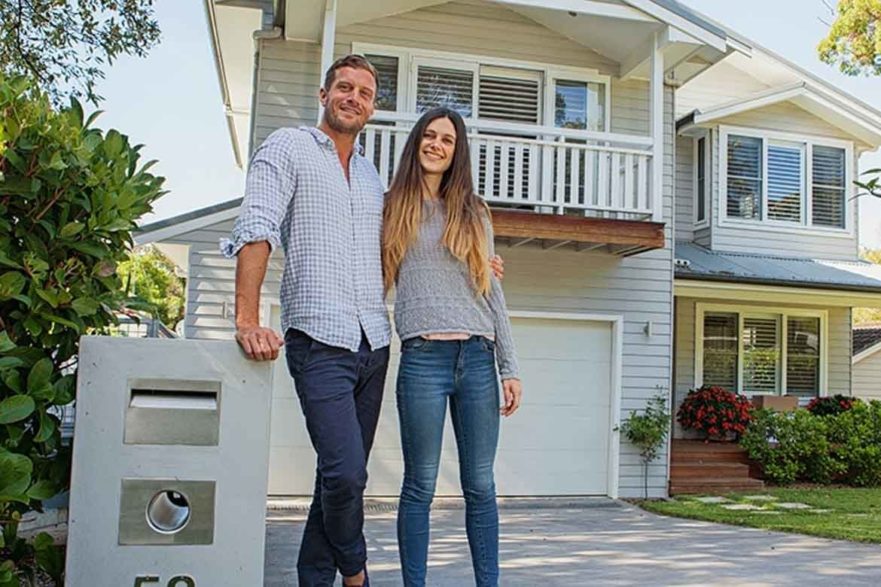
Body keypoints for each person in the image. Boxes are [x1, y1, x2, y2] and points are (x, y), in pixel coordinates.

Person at [222, 54, 388, 587]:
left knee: (333, 479)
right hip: (318, 341)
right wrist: (247, 318)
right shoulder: (288, 147)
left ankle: (314, 578)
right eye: (344, 87)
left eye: (364, 92)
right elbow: (258, 226)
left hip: (375, 343)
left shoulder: (370, 176)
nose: (353, 98)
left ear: (372, 107)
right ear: (324, 94)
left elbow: (394, 248)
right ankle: (356, 571)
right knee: (347, 473)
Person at [382, 106, 523, 587]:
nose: (436, 144)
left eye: (447, 139)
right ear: (417, 141)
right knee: (419, 484)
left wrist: (510, 365)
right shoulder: (392, 205)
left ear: (457, 150)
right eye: (429, 135)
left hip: (478, 358)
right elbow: (375, 278)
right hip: (422, 358)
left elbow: (491, 288)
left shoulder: (474, 210)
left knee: (480, 486)